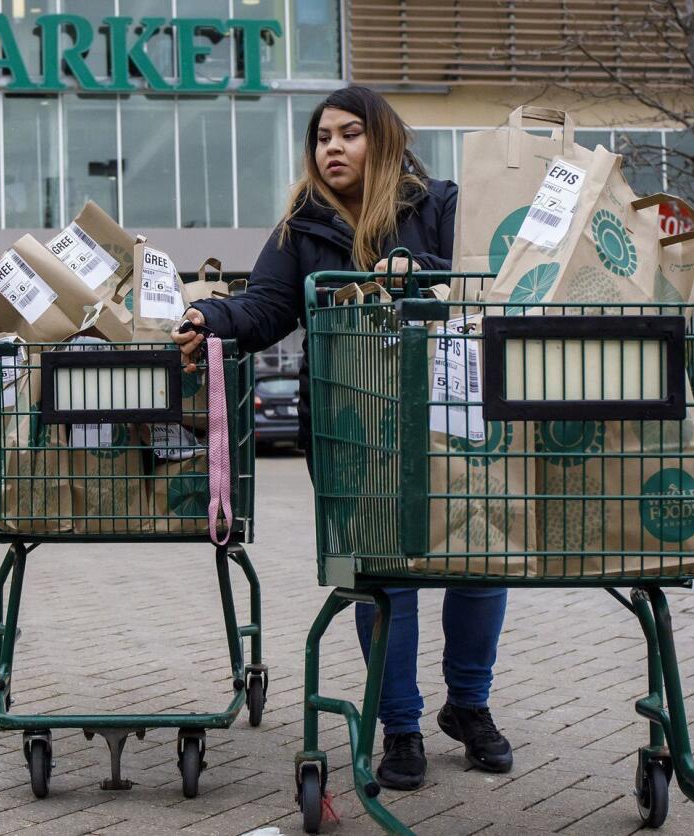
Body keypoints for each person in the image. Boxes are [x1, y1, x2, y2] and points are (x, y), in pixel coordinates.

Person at [172, 86, 513, 790]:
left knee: (481, 557)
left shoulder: (439, 206)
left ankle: (470, 706)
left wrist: (417, 279)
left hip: (449, 407)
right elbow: (265, 307)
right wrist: (210, 315)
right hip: (356, 419)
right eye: (322, 136)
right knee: (381, 572)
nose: (331, 147)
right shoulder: (301, 226)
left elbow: (485, 284)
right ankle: (401, 727)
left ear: (382, 141)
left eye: (349, 133)